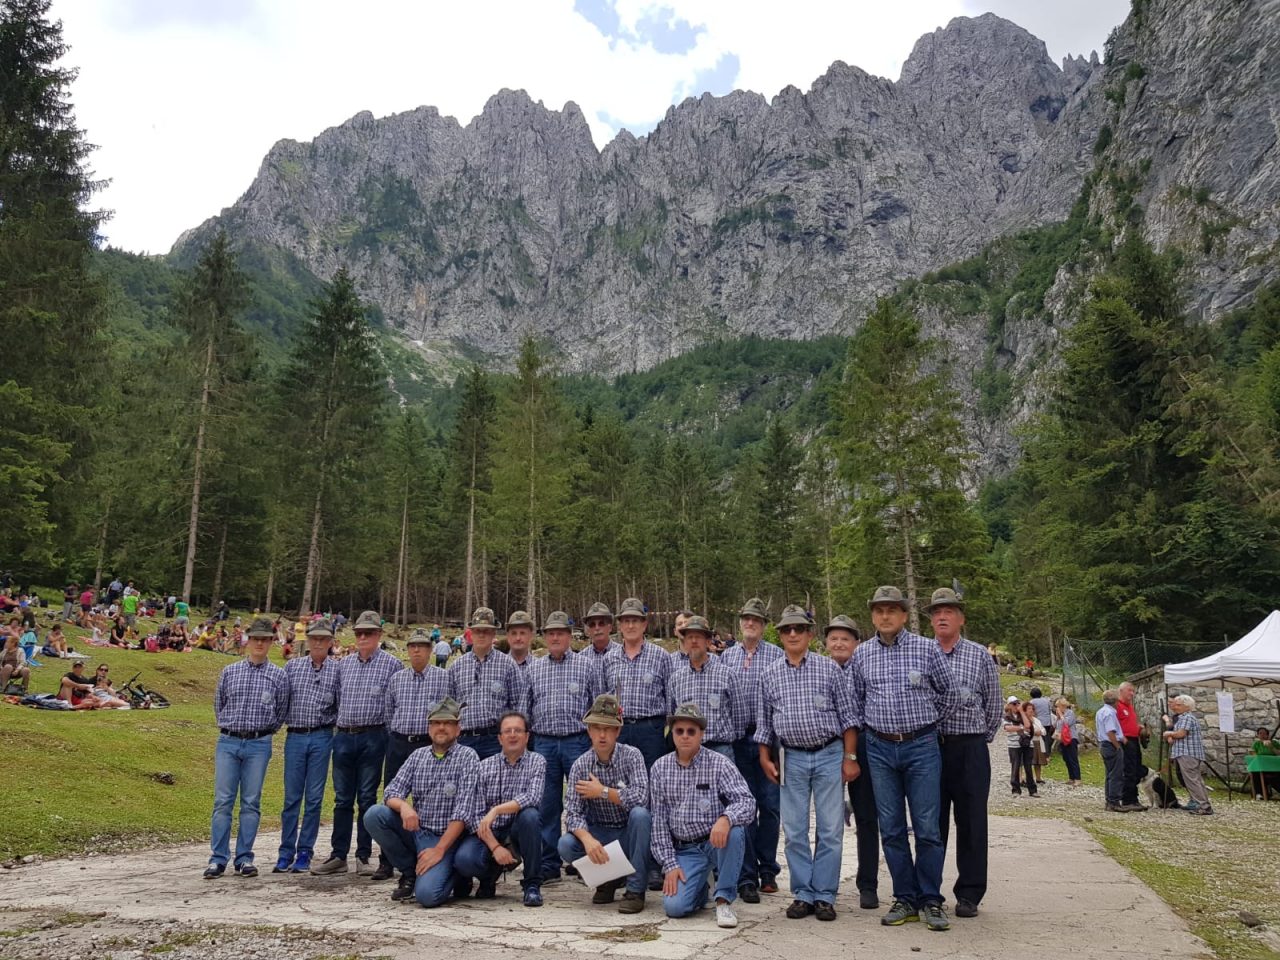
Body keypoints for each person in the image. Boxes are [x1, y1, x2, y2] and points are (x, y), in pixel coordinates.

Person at [848, 585, 960, 932]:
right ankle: (905, 898)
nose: (885, 616)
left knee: (927, 827)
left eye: (892, 609)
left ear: (905, 615)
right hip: (879, 749)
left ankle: (930, 899)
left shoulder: (927, 650)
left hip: (922, 746)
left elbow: (950, 694)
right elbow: (855, 701)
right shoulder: (862, 654)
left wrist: (928, 725)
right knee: (892, 829)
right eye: (879, 610)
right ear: (872, 615)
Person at [755, 604, 858, 922]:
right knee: (795, 829)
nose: (793, 633)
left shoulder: (830, 670)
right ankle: (803, 894)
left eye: (799, 628)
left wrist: (849, 757)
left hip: (829, 754)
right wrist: (764, 758)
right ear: (781, 634)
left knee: (830, 829)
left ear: (811, 634)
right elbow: (764, 724)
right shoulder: (769, 673)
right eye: (787, 629)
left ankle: (825, 895)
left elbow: (849, 719)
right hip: (791, 758)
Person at [927, 588, 1002, 920]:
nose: (942, 617)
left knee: (972, 821)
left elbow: (995, 702)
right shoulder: (921, 652)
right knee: (932, 821)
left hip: (970, 747)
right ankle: (929, 890)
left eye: (949, 611)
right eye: (936, 612)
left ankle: (969, 893)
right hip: (930, 748)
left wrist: (979, 737)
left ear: (961, 618)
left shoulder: (979, 654)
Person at [312, 609, 404, 877]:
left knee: (366, 798)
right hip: (344, 736)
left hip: (374, 736)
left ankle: (363, 855)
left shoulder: (392, 665)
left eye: (369, 633)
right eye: (360, 633)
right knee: (342, 799)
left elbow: (393, 704)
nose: (363, 637)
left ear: (379, 635)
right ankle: (338, 854)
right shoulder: (344, 665)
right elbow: (335, 699)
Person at [363, 696, 480, 906]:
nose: (441, 728)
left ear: (458, 729)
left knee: (428, 897)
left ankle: (455, 872)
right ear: (429, 728)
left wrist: (439, 850)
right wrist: (405, 807)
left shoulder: (468, 757)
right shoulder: (418, 756)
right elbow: (391, 791)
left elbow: (463, 812)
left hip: (448, 839)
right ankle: (410, 872)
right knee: (374, 815)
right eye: (436, 723)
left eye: (448, 723)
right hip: (418, 832)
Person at [650, 702, 755, 928]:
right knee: (674, 908)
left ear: (702, 734)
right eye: (680, 731)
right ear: (672, 734)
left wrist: (726, 819)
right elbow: (658, 822)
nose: (685, 736)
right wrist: (670, 865)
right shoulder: (659, 768)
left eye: (691, 731)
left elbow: (747, 801)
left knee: (736, 831)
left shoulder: (719, 763)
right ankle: (701, 888)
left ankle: (723, 900)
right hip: (685, 849)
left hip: (714, 842)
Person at [523, 609, 604, 885]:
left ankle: (586, 862)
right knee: (547, 804)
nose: (555, 637)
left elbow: (597, 709)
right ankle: (548, 864)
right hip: (544, 743)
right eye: (550, 633)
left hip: (577, 742)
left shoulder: (586, 666)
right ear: (544, 637)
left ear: (570, 636)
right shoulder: (534, 668)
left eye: (560, 632)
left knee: (585, 802)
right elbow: (526, 709)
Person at [204, 618, 290, 878]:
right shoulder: (229, 672)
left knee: (251, 802)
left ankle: (244, 858)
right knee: (222, 801)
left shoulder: (279, 676)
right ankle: (218, 858)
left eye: (265, 639)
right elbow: (220, 706)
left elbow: (280, 713)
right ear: (248, 641)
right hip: (228, 741)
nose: (260, 643)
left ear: (271, 642)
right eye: (256, 639)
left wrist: (263, 733)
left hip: (259, 743)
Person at [557, 694, 652, 914]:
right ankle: (607, 879)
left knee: (641, 815)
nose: (602, 735)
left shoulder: (632, 756)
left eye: (608, 728)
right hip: (600, 833)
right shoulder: (581, 765)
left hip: (629, 834)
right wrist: (588, 839)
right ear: (588, 731)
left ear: (618, 731)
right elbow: (573, 812)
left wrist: (603, 792)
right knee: (566, 844)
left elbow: (641, 798)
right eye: (596, 728)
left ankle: (635, 890)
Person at [375, 627, 451, 881]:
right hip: (398, 742)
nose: (416, 650)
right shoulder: (397, 679)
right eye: (412, 646)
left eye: (422, 646)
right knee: (393, 797)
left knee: (430, 797)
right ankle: (387, 861)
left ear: (430, 650)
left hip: (427, 745)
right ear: (407, 651)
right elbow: (388, 712)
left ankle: (427, 850)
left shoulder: (443, 677)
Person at [720, 596, 782, 903]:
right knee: (743, 809)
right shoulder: (727, 657)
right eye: (746, 618)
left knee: (770, 805)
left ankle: (767, 868)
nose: (750, 623)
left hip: (769, 742)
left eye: (756, 619)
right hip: (737, 740)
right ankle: (746, 876)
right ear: (740, 622)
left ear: (764, 624)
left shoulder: (777, 655)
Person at [454, 710, 547, 907]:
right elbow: (475, 814)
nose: (512, 735)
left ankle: (532, 885)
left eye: (518, 730)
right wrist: (495, 846)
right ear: (499, 738)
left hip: (517, 830)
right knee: (465, 860)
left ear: (527, 736)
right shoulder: (483, 766)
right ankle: (488, 877)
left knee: (530, 816)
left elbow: (532, 797)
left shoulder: (538, 761)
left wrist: (496, 810)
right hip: (489, 831)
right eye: (507, 731)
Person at [823, 613, 880, 910]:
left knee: (866, 816)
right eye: (834, 638)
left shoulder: (865, 668)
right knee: (827, 821)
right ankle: (822, 885)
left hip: (862, 745)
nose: (839, 643)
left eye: (846, 638)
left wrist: (852, 755)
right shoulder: (817, 670)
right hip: (824, 748)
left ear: (857, 643)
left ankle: (867, 884)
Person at [274, 618, 340, 875]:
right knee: (292, 798)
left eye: (323, 639)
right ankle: (285, 851)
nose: (318, 643)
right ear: (308, 641)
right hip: (296, 736)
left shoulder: (338, 670)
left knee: (314, 799)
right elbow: (282, 701)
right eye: (314, 638)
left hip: (323, 736)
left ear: (331, 642)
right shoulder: (292, 668)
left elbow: (340, 704)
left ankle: (305, 852)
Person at [601, 597, 671, 769]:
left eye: (635, 621)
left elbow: (671, 696)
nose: (630, 626)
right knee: (619, 779)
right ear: (620, 626)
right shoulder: (609, 658)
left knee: (652, 777)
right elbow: (604, 696)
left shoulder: (661, 656)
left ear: (644, 625)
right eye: (626, 621)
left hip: (650, 731)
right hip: (619, 729)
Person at [449, 607, 525, 761]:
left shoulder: (508, 665)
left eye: (486, 630)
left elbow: (518, 705)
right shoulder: (456, 667)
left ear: (494, 634)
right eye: (477, 631)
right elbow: (450, 707)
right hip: (464, 740)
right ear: (470, 633)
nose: (482, 634)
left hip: (495, 740)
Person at [666, 616, 738, 758]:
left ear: (708, 641)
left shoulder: (727, 675)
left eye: (698, 637)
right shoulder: (676, 679)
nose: (693, 641)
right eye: (690, 637)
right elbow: (671, 716)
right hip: (686, 752)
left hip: (720, 750)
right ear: (684, 641)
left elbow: (740, 718)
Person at [1162, 696, 1213, 815]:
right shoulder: (1185, 717)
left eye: (1179, 705)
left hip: (1187, 753)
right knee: (1196, 780)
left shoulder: (1186, 717)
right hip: (1189, 753)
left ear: (1187, 706)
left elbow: (1181, 733)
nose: (1176, 707)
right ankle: (1203, 803)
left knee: (1192, 780)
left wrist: (1169, 733)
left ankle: (1203, 805)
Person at [1116, 682, 1148, 811]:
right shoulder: (1118, 706)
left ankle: (1133, 798)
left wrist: (1138, 728)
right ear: (1121, 691)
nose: (1132, 693)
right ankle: (1127, 799)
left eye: (1133, 691)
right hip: (1126, 740)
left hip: (1134, 740)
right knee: (1128, 770)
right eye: (1129, 690)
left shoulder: (1130, 707)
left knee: (1136, 769)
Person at [1096, 689, 1127, 812]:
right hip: (1111, 744)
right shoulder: (1110, 713)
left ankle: (1109, 800)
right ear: (1116, 701)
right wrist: (1117, 745)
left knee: (1109, 773)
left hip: (1103, 744)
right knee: (1116, 774)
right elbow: (1110, 731)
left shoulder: (1101, 711)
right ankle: (1114, 801)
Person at [1004, 698, 1036, 796]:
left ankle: (1033, 790)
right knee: (1015, 766)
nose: (1016, 705)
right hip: (1014, 744)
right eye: (1014, 704)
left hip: (1026, 743)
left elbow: (1028, 725)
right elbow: (1008, 728)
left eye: (1018, 703)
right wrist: (1021, 728)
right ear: (1009, 705)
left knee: (1028, 766)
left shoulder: (1023, 715)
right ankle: (1016, 790)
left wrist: (1022, 711)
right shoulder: (1007, 717)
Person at [1054, 697, 1082, 785]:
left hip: (1071, 738)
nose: (1057, 708)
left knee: (1073, 758)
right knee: (1066, 758)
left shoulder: (1070, 713)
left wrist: (1061, 716)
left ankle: (1077, 778)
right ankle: (1071, 777)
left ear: (1062, 706)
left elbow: (1067, 723)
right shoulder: (1060, 715)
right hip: (1062, 739)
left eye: (1058, 706)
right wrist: (1057, 717)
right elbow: (1056, 726)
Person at [1249, 726, 1280, 799]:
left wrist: (1271, 747)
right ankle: (1259, 794)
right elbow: (1252, 753)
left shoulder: (1274, 743)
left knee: (1275, 777)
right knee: (1255, 774)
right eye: (1260, 733)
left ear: (1267, 735)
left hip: (1274, 767)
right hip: (1261, 767)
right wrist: (1256, 756)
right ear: (1258, 735)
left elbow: (1279, 753)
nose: (1262, 735)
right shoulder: (1256, 744)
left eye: (1264, 734)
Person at [504, 610, 535, 676]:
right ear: (508, 636)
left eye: (522, 633)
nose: (518, 638)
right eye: (514, 633)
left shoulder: (539, 667)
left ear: (531, 636)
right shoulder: (499, 666)